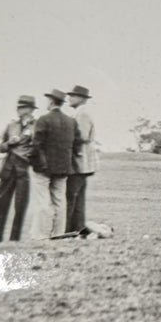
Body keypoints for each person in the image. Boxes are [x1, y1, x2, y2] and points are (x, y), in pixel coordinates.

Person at [30, 88, 81, 238]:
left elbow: (36, 145)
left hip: (43, 168)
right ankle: (58, 233)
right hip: (63, 167)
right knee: (60, 201)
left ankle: (41, 234)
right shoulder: (71, 122)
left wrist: (35, 162)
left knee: (43, 202)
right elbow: (76, 145)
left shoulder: (43, 119)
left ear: (51, 101)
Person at [0, 95, 37, 242]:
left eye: (22, 107)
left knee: (20, 205)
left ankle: (14, 239)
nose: (18, 109)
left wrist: (29, 155)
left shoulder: (37, 126)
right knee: (1, 202)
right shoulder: (11, 126)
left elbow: (38, 147)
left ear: (30, 109)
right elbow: (1, 148)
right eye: (18, 107)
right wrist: (9, 142)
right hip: (8, 168)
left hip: (24, 169)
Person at [64, 84, 98, 233]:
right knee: (77, 197)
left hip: (79, 161)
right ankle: (76, 227)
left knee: (72, 196)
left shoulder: (82, 114)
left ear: (81, 99)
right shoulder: (79, 113)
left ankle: (68, 229)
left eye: (72, 96)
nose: (69, 98)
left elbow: (82, 137)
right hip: (81, 162)